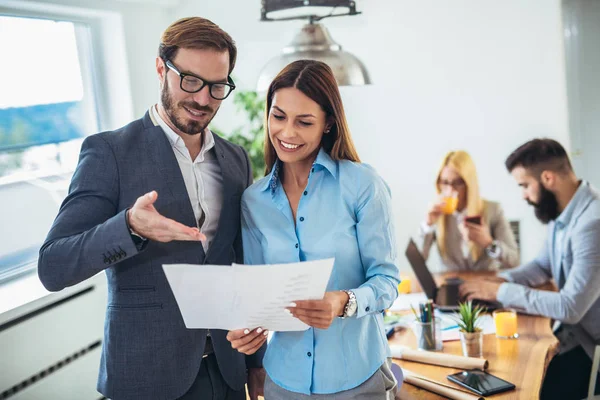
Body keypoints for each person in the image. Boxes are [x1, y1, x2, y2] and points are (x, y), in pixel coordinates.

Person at [37, 17, 266, 400]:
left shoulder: (235, 159)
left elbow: (240, 266)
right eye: (190, 81)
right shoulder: (109, 152)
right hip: (146, 376)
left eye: (217, 86)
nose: (203, 99)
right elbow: (53, 266)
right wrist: (128, 227)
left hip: (226, 372)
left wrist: (257, 362)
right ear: (161, 69)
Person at [227, 59, 400, 399]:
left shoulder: (362, 185)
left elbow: (387, 280)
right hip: (283, 382)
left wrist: (343, 301)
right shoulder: (253, 201)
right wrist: (245, 330)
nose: (287, 133)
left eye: (304, 122)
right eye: (278, 117)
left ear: (328, 124)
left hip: (358, 381)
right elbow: (257, 294)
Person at [460, 139, 600, 400]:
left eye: (524, 185)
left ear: (547, 178)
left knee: (518, 386)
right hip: (570, 336)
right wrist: (499, 281)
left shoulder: (592, 223)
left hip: (591, 349)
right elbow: (542, 266)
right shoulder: (565, 212)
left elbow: (570, 307)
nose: (523, 195)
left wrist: (500, 291)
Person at [421, 150, 519, 271]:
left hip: (484, 283)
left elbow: (514, 261)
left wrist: (488, 243)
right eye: (445, 182)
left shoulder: (493, 210)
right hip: (451, 283)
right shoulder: (437, 214)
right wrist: (428, 225)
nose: (450, 189)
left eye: (458, 183)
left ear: (469, 184)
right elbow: (420, 260)